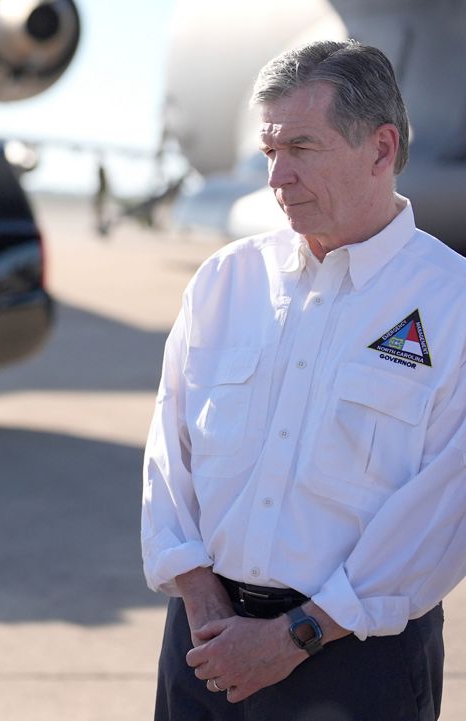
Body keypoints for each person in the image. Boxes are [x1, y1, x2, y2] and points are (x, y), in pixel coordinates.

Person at [142, 39, 466, 720]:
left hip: (351, 666)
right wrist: (201, 599)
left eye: (303, 149)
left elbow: (442, 512)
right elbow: (169, 453)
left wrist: (297, 635)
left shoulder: (450, 305)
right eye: (270, 152)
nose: (277, 177)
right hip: (205, 644)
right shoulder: (226, 282)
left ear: (380, 150)